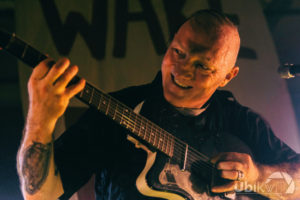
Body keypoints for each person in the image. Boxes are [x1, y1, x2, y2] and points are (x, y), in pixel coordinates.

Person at [17, 9, 300, 200]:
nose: (182, 70)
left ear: (228, 76)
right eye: (177, 51)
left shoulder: (242, 123)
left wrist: (255, 175)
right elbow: (41, 195)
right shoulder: (119, 108)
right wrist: (40, 118)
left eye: (202, 65)